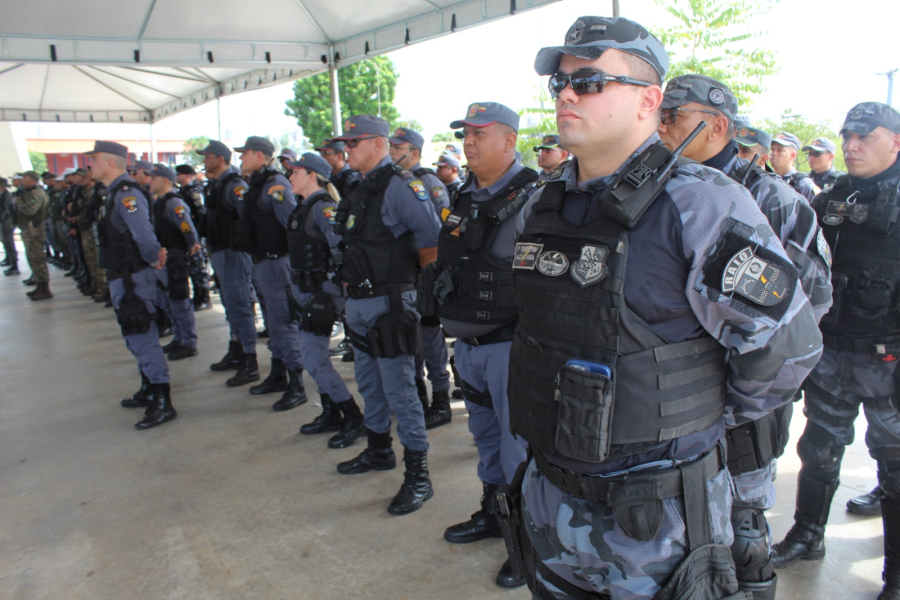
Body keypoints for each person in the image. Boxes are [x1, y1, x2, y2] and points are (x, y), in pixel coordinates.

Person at [505, 16, 822, 599]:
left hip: (656, 514)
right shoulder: (540, 206)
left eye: (591, 81)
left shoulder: (701, 202)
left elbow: (784, 350)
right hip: (549, 499)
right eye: (562, 83)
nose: (568, 93)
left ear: (650, 99)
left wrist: (690, 417)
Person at [658, 73, 833, 599]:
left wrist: (740, 397)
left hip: (746, 403)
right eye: (659, 116)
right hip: (682, 403)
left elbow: (812, 302)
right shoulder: (662, 190)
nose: (660, 128)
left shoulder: (773, 199)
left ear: (716, 126)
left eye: (673, 118)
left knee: (744, 528)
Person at [771, 102, 900, 600]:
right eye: (847, 136)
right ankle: (807, 535)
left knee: (893, 466)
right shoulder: (835, 195)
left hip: (889, 358)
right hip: (833, 354)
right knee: (818, 451)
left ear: (895, 141)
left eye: (865, 137)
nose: (851, 146)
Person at [433, 101, 538, 588]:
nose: (468, 142)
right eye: (465, 134)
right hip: (470, 350)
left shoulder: (536, 198)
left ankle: (528, 541)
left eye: (479, 133)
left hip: (510, 348)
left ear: (510, 140)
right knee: (487, 440)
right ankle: (493, 514)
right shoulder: (463, 195)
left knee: (520, 450)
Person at [330, 114, 441, 516]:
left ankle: (419, 476)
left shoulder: (401, 186)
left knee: (401, 390)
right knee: (369, 383)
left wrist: (408, 286)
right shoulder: (360, 187)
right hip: (359, 303)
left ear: (377, 144)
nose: (348, 150)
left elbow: (432, 241)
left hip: (390, 303)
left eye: (354, 142)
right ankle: (379, 451)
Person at [88, 141, 176, 430]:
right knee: (133, 334)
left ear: (110, 163)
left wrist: (153, 260)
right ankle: (149, 387)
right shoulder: (112, 193)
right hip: (122, 277)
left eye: (95, 158)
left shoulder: (126, 195)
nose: (90, 164)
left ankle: (163, 400)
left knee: (142, 335)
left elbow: (146, 237)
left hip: (133, 278)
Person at [283, 152, 366, 448]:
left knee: (314, 359)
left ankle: (353, 417)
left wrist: (329, 295)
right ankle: (331, 412)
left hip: (323, 294)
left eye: (295, 172)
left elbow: (342, 252)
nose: (290, 177)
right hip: (308, 292)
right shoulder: (304, 207)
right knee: (313, 358)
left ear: (311, 176)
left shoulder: (324, 208)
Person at [234, 136, 308, 412]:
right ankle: (279, 372)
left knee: (284, 322)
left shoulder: (275, 186)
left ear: (259, 155)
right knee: (273, 322)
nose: (241, 159)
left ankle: (296, 383)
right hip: (263, 263)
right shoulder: (259, 185)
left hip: (277, 265)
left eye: (245, 154)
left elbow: (293, 225)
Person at [387, 126, 453, 427]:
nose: (391, 151)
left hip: (425, 274)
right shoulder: (393, 181)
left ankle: (441, 398)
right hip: (404, 273)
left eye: (397, 147)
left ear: (413, 152)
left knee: (429, 338)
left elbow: (443, 230)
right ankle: (419, 397)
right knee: (410, 339)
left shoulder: (427, 182)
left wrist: (428, 276)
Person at [196, 140, 259, 381]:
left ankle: (249, 359)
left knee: (240, 305)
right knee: (231, 305)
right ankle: (236, 349)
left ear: (220, 159)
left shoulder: (234, 185)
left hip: (234, 253)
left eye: (208, 157)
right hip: (222, 252)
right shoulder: (218, 184)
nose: (204, 161)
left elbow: (246, 218)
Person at [149, 165, 201, 361]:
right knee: (167, 301)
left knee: (179, 301)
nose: (150, 181)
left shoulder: (173, 203)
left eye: (153, 178)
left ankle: (189, 342)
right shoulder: (160, 202)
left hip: (174, 258)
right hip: (163, 259)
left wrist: (191, 246)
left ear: (165, 180)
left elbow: (187, 228)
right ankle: (179, 338)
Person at [176, 164, 212, 311]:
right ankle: (198, 296)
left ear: (186, 175)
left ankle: (203, 297)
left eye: (178, 174)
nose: (176, 176)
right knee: (193, 268)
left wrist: (198, 234)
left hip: (196, 235)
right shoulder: (182, 191)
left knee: (199, 268)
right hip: (189, 235)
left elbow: (200, 212)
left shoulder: (193, 191)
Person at [16, 171, 53, 301]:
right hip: (29, 228)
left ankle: (45, 288)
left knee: (37, 258)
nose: (22, 181)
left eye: (24, 178)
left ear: (32, 180)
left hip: (34, 229)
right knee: (33, 258)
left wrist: (18, 201)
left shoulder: (36, 193)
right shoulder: (30, 193)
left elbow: (31, 210)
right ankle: (39, 286)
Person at [770, 132, 819, 201]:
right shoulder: (765, 179)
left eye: (780, 150)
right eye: (772, 149)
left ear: (792, 155)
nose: (774, 153)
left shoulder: (804, 185)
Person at [0, 177, 17, 274]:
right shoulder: (3, 194)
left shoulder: (6, 195)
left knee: (9, 242)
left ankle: (14, 264)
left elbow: (6, 210)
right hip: (4, 222)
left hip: (7, 222)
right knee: (5, 241)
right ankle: (9, 259)